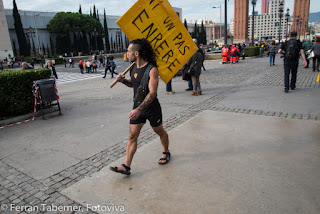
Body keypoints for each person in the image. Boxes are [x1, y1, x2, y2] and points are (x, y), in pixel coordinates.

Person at [110, 38, 170, 175]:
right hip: (137, 106)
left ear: (136, 53)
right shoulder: (133, 67)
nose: (127, 53)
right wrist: (123, 81)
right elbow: (134, 84)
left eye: (128, 51)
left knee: (159, 131)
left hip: (151, 108)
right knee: (132, 135)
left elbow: (152, 93)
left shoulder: (152, 69)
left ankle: (166, 152)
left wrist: (138, 110)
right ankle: (126, 166)